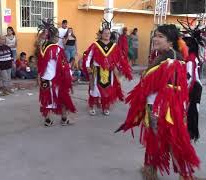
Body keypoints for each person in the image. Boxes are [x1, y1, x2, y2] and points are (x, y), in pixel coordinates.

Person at [115, 24, 200, 180]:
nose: (155, 38)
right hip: (155, 106)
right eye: (155, 35)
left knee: (171, 142)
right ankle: (150, 171)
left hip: (164, 109)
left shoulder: (172, 59)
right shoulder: (163, 55)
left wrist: (156, 110)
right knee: (155, 140)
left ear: (170, 42)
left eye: (160, 36)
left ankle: (185, 176)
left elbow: (172, 88)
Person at [83, 21, 132, 116]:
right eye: (105, 33)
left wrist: (121, 67)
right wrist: (88, 66)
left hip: (109, 71)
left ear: (110, 34)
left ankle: (105, 107)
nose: (107, 35)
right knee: (94, 89)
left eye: (108, 33)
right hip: (97, 71)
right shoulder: (95, 44)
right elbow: (89, 56)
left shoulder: (114, 46)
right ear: (101, 34)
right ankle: (92, 106)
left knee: (108, 90)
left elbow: (118, 58)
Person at [37, 19, 76, 127]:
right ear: (54, 36)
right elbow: (63, 66)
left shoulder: (42, 48)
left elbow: (40, 64)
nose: (59, 38)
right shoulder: (57, 49)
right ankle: (64, 119)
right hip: (55, 79)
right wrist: (69, 76)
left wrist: (39, 76)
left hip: (45, 78)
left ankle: (48, 120)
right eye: (58, 35)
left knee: (47, 100)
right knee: (62, 98)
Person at [182, 27, 204, 142]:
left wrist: (184, 90)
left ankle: (189, 134)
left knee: (191, 111)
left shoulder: (190, 59)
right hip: (197, 86)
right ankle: (191, 133)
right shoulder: (194, 57)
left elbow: (189, 77)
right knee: (194, 110)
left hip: (193, 87)